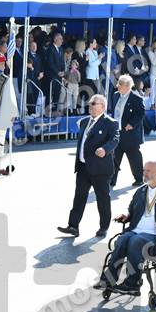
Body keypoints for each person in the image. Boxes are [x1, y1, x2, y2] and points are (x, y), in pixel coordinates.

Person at [93, 161, 156, 295]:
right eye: (144, 170)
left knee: (135, 241)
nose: (145, 173)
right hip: (136, 230)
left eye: (148, 171)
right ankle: (108, 280)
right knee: (123, 239)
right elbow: (132, 209)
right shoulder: (140, 191)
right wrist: (127, 216)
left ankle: (132, 284)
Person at [58, 94, 119, 238]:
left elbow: (115, 139)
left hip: (100, 169)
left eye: (93, 103)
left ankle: (103, 227)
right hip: (83, 167)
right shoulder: (85, 121)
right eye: (90, 103)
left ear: (102, 107)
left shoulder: (110, 123)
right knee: (79, 197)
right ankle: (73, 226)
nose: (90, 106)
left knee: (102, 199)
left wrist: (105, 149)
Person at [111, 74, 145, 187]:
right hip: (117, 132)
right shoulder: (115, 95)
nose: (118, 85)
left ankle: (139, 179)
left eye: (120, 84)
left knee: (134, 158)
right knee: (114, 157)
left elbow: (141, 113)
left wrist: (132, 124)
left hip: (130, 134)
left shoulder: (136, 98)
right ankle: (111, 180)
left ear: (127, 86)